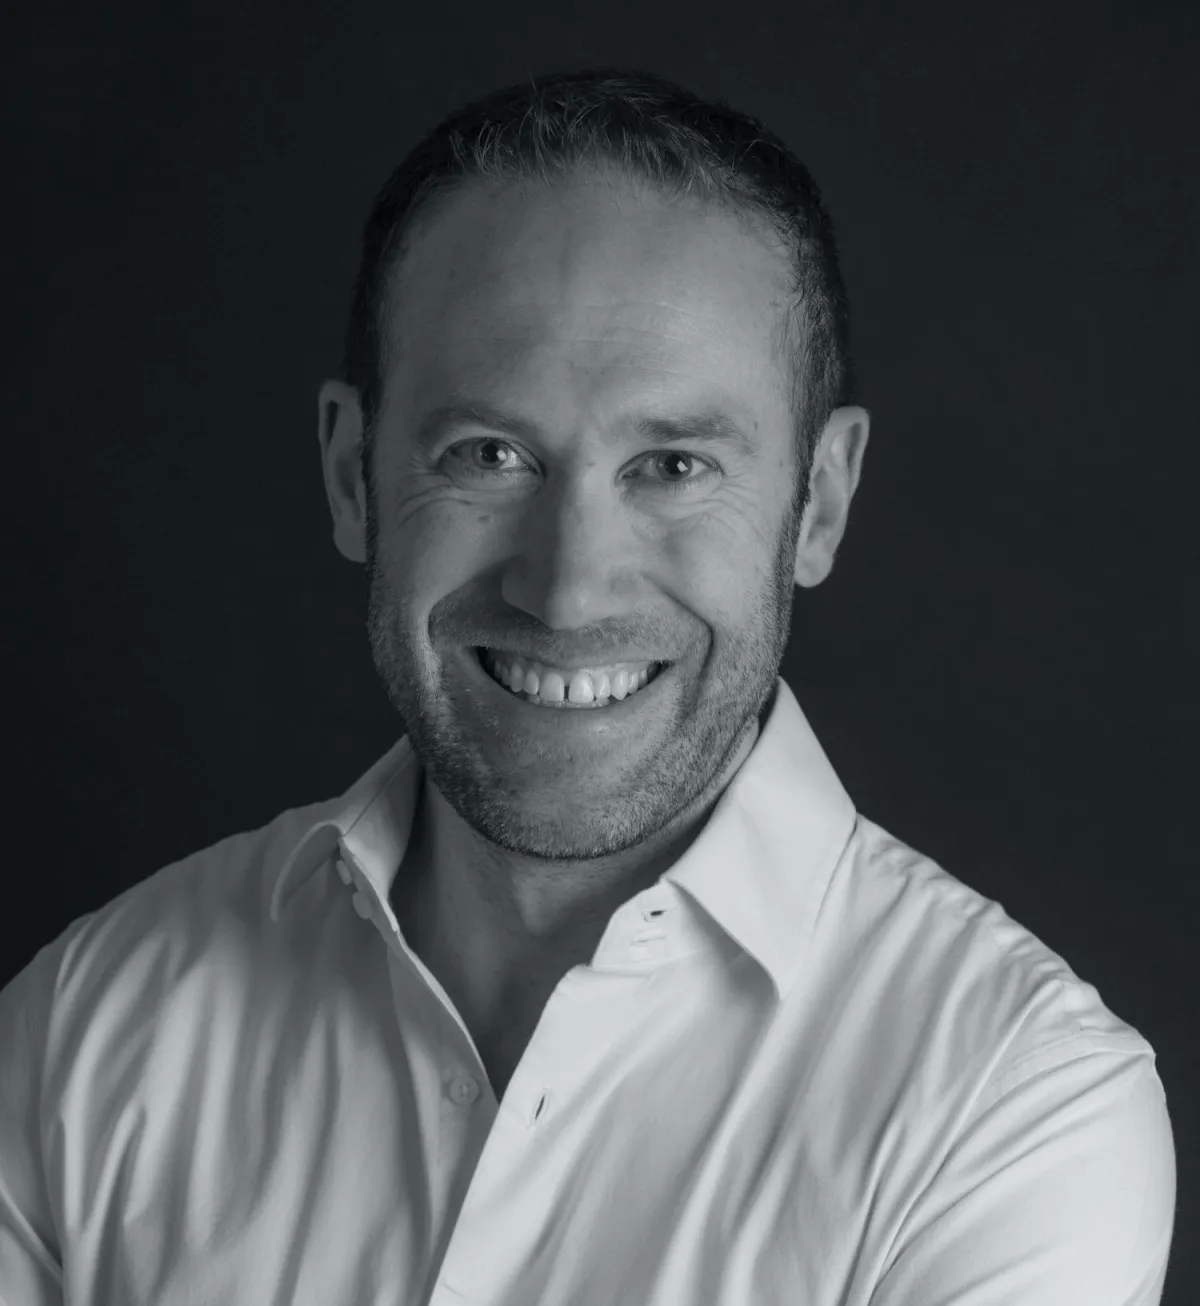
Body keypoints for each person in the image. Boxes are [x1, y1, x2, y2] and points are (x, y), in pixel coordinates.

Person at [0, 67, 1176, 1306]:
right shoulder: (84, 1027)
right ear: (352, 475)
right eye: (490, 453)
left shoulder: (1010, 1110)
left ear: (820, 502)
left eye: (673, 464)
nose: (566, 591)